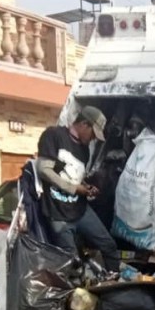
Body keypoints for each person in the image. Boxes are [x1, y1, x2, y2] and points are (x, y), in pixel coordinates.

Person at [37, 105, 121, 272]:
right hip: (58, 213)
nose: (93, 140)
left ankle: (115, 289)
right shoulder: (53, 135)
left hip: (80, 210)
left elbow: (75, 178)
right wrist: (75, 189)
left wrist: (86, 187)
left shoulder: (84, 150)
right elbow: (44, 170)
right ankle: (76, 296)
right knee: (72, 263)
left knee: (109, 246)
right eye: (93, 134)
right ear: (84, 124)